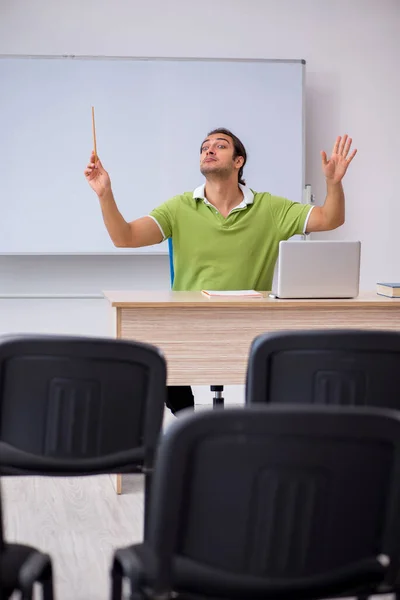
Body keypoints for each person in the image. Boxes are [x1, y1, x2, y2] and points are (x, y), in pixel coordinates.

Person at [84, 128, 357, 414]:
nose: (209, 150)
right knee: (152, 348)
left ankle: (256, 428)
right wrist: (105, 194)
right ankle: (189, 424)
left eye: (220, 146)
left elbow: (330, 219)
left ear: (238, 161)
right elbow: (124, 237)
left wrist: (333, 183)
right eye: (204, 147)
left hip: (251, 325)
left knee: (290, 357)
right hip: (188, 324)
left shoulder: (270, 208)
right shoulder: (179, 207)